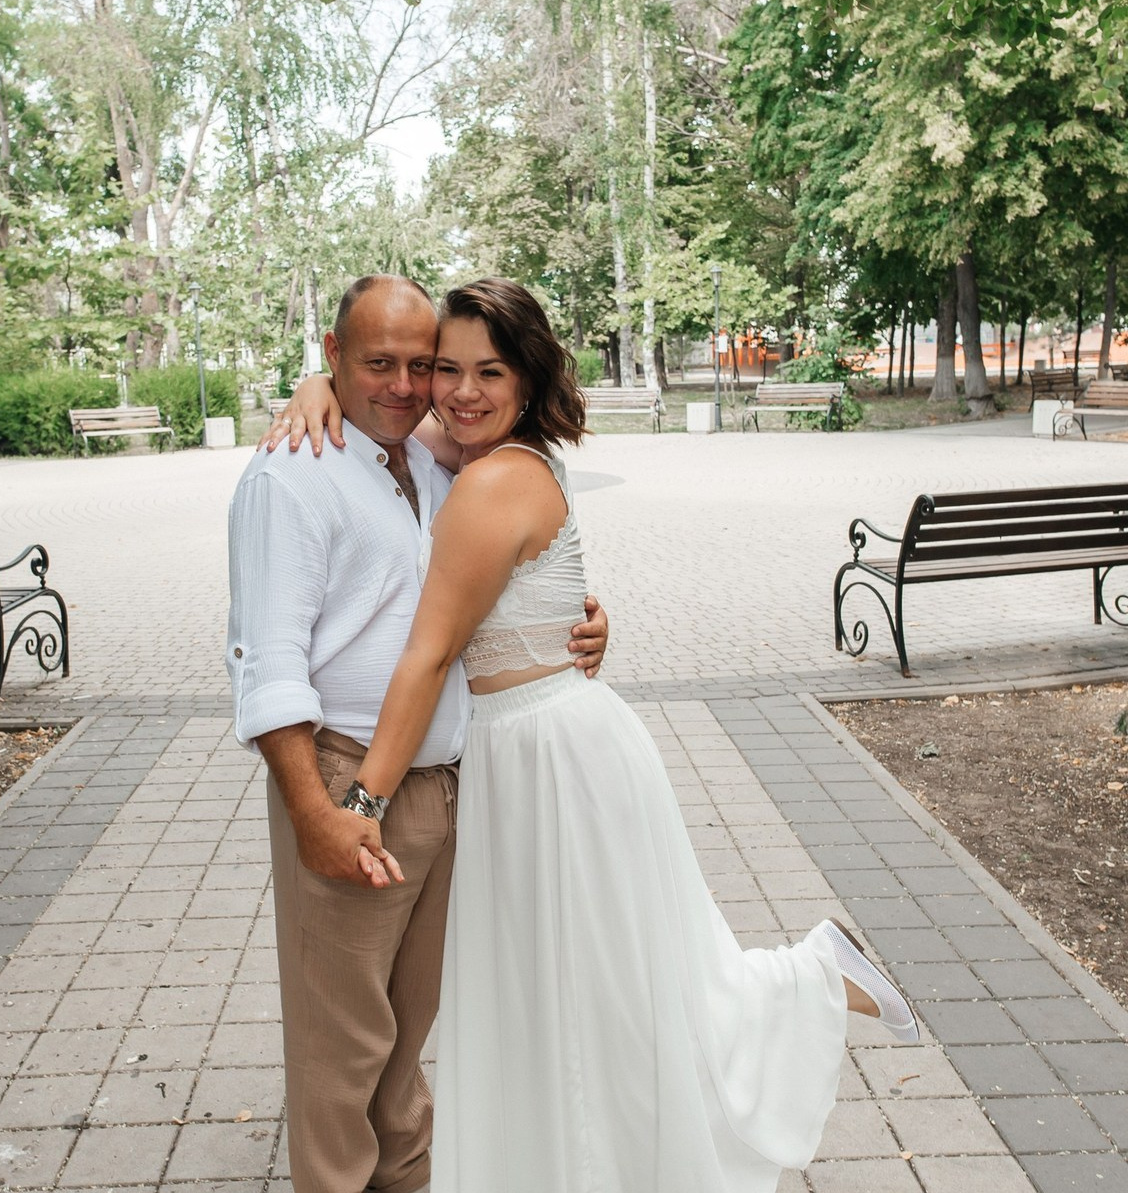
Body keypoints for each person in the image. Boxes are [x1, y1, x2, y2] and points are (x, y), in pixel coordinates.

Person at [274, 277, 918, 1193]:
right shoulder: (480, 451)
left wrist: (364, 800)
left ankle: (815, 978)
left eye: (487, 373)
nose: (457, 392)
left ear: (528, 381)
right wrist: (315, 387)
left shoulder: (494, 479)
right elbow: (381, 415)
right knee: (587, 993)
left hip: (550, 759)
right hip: (536, 746)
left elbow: (425, 659)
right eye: (445, 369)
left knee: (620, 992)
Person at [225, 274, 608, 1193]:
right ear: (330, 356)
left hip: (442, 786)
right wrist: (321, 811)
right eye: (376, 364)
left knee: (405, 1037)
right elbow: (266, 665)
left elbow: (510, 580)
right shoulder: (292, 476)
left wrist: (580, 625)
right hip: (351, 780)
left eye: (418, 364)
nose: (404, 385)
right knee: (340, 1051)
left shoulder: (435, 461)